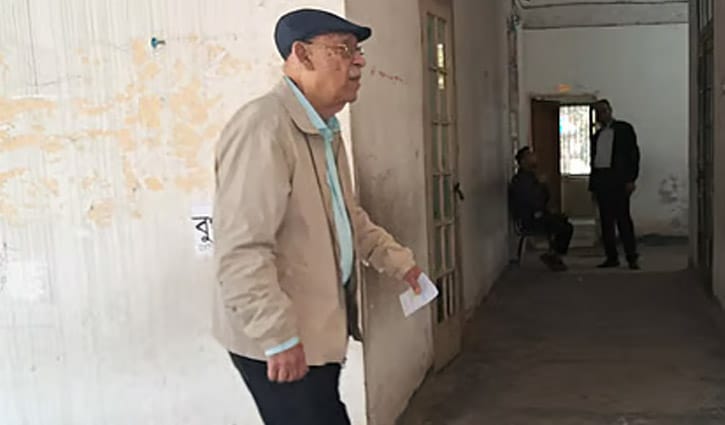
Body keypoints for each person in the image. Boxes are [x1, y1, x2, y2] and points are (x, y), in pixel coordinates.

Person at [212, 8, 424, 425]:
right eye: (342, 50)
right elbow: (241, 248)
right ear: (301, 55)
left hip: (316, 332)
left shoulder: (324, 130)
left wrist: (400, 263)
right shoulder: (263, 128)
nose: (358, 62)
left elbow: (347, 217)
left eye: (358, 51)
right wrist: (277, 336)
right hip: (280, 340)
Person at [589, 99, 641, 270]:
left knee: (623, 219)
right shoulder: (597, 136)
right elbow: (594, 161)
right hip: (602, 180)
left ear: (610, 110)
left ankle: (631, 257)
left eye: (604, 111)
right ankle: (611, 257)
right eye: (598, 112)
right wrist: (593, 186)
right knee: (606, 221)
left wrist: (631, 179)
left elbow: (633, 155)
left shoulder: (624, 129)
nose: (601, 115)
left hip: (619, 179)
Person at [509, 146, 574, 272]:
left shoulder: (531, 177)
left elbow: (544, 198)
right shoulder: (521, 180)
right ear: (523, 161)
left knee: (562, 220)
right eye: (530, 156)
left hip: (537, 214)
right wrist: (540, 185)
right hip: (530, 219)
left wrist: (542, 186)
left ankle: (554, 253)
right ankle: (554, 255)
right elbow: (533, 201)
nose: (535, 158)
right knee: (565, 228)